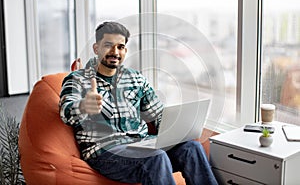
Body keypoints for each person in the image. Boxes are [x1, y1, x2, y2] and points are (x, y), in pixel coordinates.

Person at [59, 21, 218, 185]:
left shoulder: (135, 78)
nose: (115, 52)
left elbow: (158, 116)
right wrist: (84, 106)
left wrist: (183, 125)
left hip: (141, 144)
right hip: (105, 152)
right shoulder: (77, 79)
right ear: (96, 48)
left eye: (120, 47)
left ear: (125, 50)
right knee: (156, 157)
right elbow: (65, 111)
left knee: (191, 148)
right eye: (108, 45)